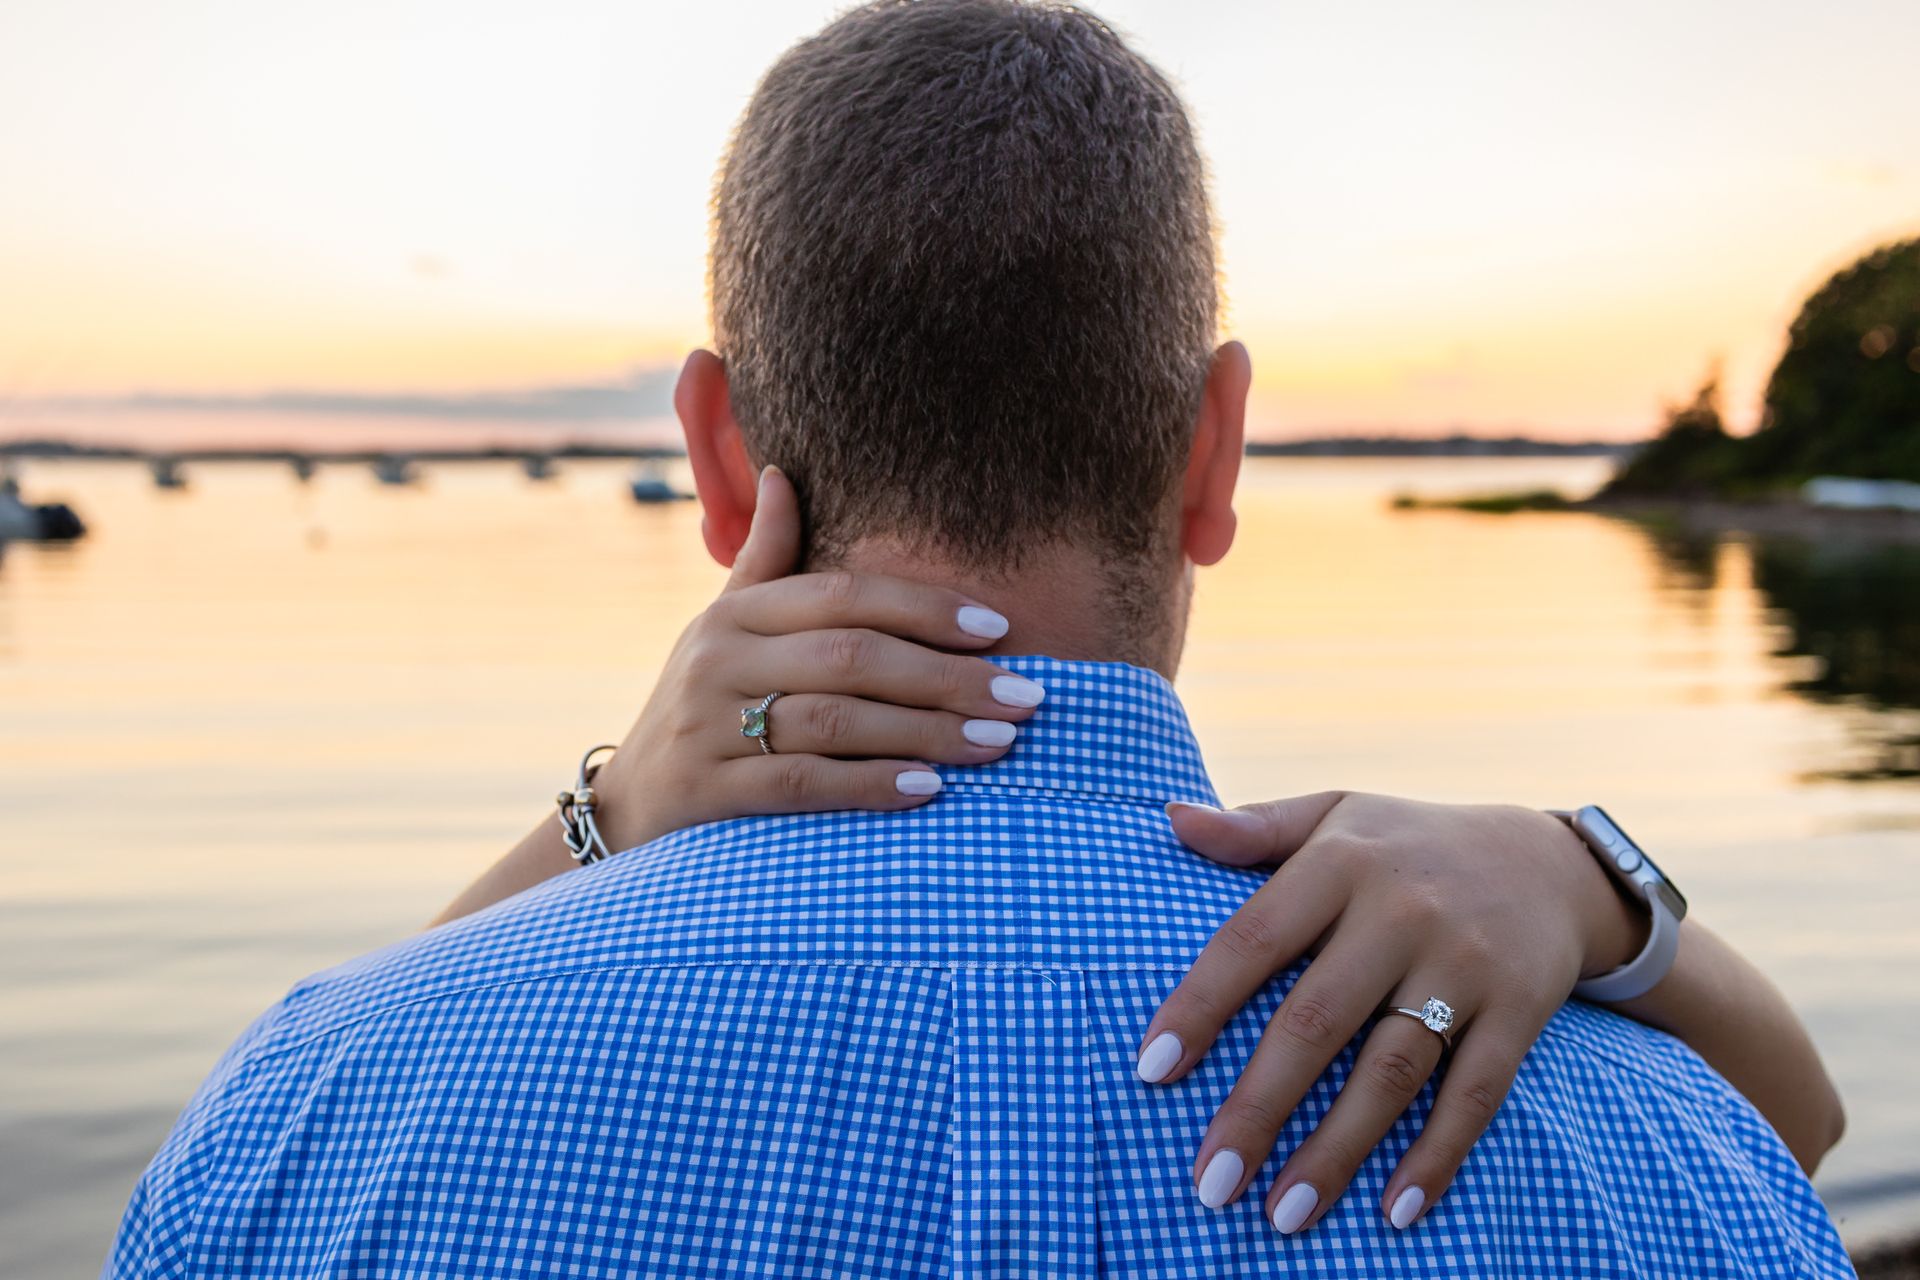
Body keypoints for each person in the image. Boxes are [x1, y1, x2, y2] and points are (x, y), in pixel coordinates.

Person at [106, 2, 1848, 1276]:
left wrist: (607, 822)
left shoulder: (316, 1120)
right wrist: (1597, 881)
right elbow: (1800, 1142)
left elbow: (340, 1060)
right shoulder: (1660, 1146)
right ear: (1213, 452)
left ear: (719, 459)